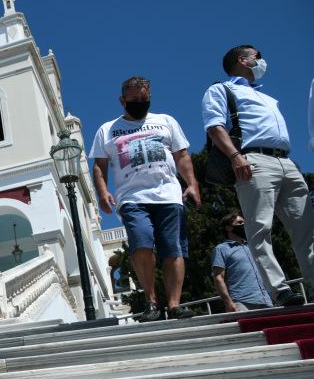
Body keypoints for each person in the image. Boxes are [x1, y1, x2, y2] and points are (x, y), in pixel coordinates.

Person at [203, 46, 314, 306]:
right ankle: (280, 290)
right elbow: (214, 125)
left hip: (286, 161)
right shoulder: (221, 89)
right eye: (257, 56)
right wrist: (235, 156)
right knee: (259, 228)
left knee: (307, 229)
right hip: (253, 161)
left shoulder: (266, 96)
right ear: (242, 60)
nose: (262, 62)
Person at [91, 76, 199, 322]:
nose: (140, 102)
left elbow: (182, 156)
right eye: (134, 99)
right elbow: (99, 165)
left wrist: (192, 184)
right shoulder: (107, 129)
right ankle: (151, 302)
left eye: (144, 99)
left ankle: (174, 305)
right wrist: (102, 191)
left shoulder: (166, 122)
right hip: (132, 197)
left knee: (173, 249)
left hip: (168, 194)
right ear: (122, 100)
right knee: (141, 246)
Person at [212, 212, 273, 312]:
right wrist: (229, 303)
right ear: (229, 228)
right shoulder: (222, 249)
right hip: (242, 302)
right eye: (240, 223)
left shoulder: (252, 246)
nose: (244, 226)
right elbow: (218, 277)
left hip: (266, 300)